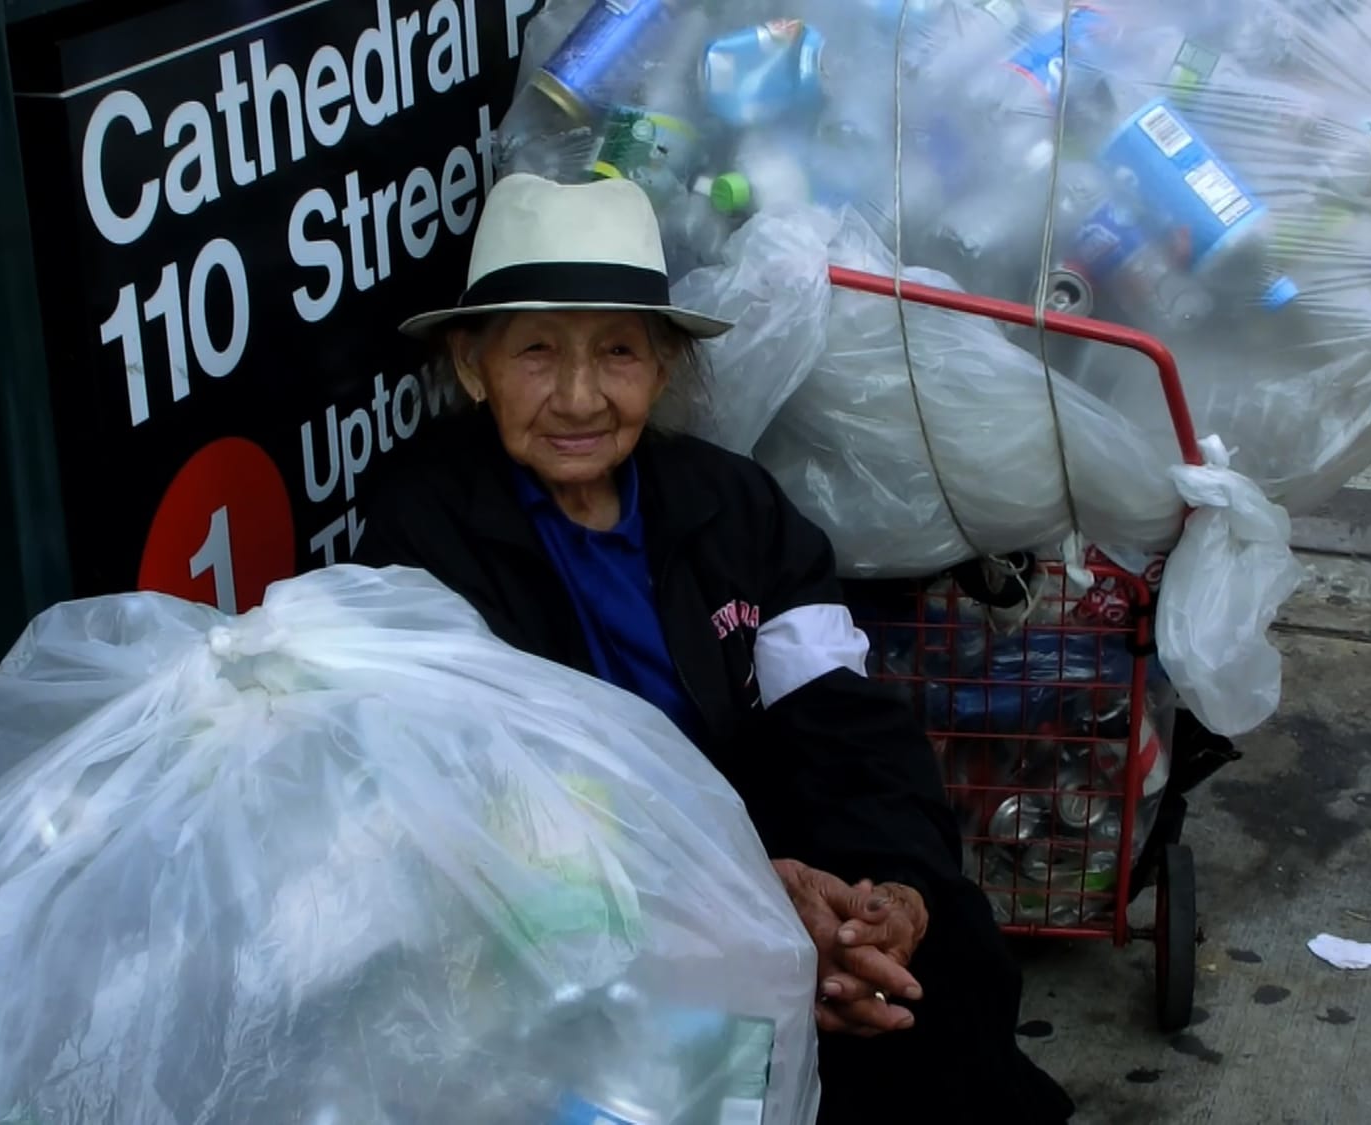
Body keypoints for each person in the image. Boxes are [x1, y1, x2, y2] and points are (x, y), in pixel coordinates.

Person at [358, 173, 1076, 1124]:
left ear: (661, 371)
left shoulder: (737, 511)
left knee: (934, 978)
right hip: (579, 916)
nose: (578, 396)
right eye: (536, 351)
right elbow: (478, 797)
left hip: (784, 875)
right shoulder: (423, 527)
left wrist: (884, 897)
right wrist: (732, 902)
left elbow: (843, 726)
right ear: (473, 365)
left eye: (616, 352)